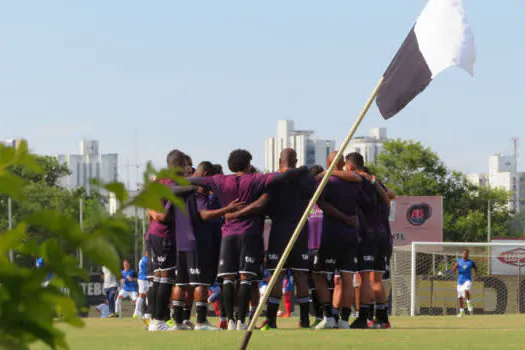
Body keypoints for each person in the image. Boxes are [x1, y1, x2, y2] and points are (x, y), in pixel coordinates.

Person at [188, 149, 308, 331]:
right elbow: (283, 176)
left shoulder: (220, 180)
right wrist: (302, 169)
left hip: (228, 236)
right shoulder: (256, 179)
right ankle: (241, 321)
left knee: (228, 279)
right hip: (249, 235)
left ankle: (229, 321)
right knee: (245, 279)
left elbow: (194, 180)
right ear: (247, 165)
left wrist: (164, 180)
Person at [224, 148, 316, 329]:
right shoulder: (305, 177)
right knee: (300, 275)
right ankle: (304, 320)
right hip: (300, 229)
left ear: (278, 160)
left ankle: (272, 320)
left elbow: (264, 203)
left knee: (276, 275)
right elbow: (313, 194)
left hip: (279, 230)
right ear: (296, 161)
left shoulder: (273, 179)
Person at [169, 160, 245, 331]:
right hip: (196, 243)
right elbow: (202, 215)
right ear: (206, 176)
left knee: (181, 284)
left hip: (181, 243)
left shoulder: (180, 190)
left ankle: (179, 323)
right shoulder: (197, 193)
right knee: (200, 284)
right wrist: (227, 209)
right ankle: (201, 322)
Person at [313, 151, 373, 330]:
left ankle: (328, 316)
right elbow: (368, 202)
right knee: (347, 277)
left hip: (332, 234)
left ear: (329, 163)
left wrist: (343, 217)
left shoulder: (327, 181)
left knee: (319, 274)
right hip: (350, 235)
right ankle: (345, 320)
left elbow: (322, 204)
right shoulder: (354, 182)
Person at [144, 149, 184, 332]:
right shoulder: (173, 185)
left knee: (158, 276)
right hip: (164, 235)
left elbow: (148, 209)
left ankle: (153, 319)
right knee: (165, 277)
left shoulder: (157, 183)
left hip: (152, 234)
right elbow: (163, 215)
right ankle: (158, 320)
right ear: (179, 165)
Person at [453, 249, 477, 317]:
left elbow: (475, 268)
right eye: (463, 253)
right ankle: (461, 311)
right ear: (462, 254)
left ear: (468, 255)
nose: (464, 254)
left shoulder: (470, 262)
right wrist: (455, 267)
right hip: (460, 281)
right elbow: (453, 270)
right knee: (460, 297)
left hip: (467, 280)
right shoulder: (459, 261)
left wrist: (477, 274)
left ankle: (469, 303)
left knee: (466, 290)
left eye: (466, 253)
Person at [134, 250, 149, 319]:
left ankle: (148, 311)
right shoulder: (146, 260)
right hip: (143, 279)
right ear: (146, 253)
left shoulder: (143, 259)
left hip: (143, 279)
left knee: (147, 295)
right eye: (148, 252)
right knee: (141, 296)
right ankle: (136, 312)